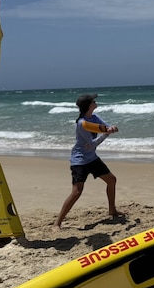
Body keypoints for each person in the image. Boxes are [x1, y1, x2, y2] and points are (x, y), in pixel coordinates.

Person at [53, 93, 123, 231]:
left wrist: (112, 128)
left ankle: (112, 210)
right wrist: (106, 134)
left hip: (92, 158)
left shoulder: (95, 118)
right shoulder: (82, 123)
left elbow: (106, 126)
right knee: (77, 192)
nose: (95, 102)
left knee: (112, 180)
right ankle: (57, 223)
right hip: (79, 160)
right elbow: (91, 144)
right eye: (93, 101)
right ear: (88, 105)